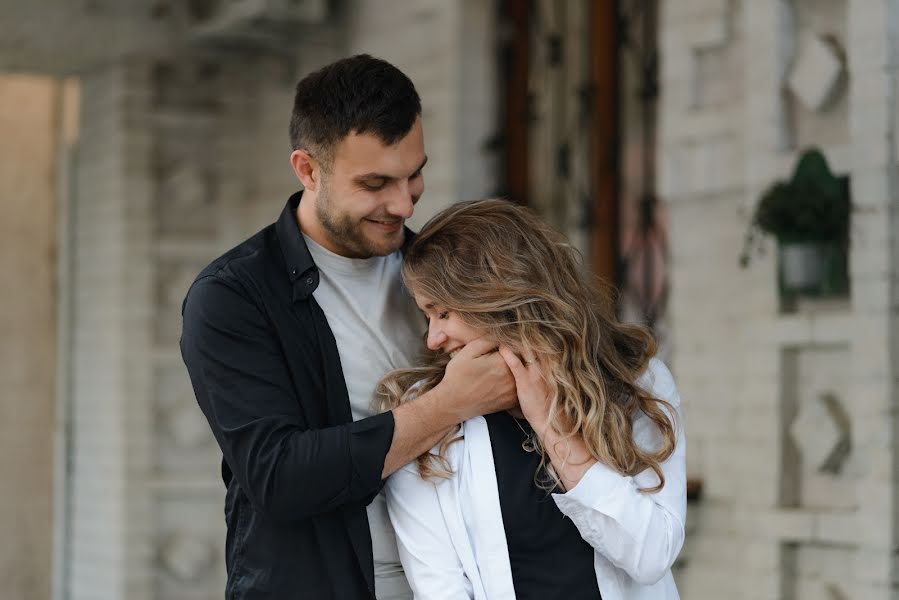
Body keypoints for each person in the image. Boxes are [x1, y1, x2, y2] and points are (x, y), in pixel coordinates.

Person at [179, 55, 516, 599]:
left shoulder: (448, 275)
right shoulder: (233, 297)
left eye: (414, 175)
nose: (403, 203)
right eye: (376, 183)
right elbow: (278, 477)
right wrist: (450, 403)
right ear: (308, 170)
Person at [378, 199, 686, 600]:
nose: (433, 339)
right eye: (427, 316)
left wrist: (551, 427)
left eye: (443, 314)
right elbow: (441, 588)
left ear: (496, 299)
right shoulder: (427, 418)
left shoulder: (636, 383)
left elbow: (651, 554)